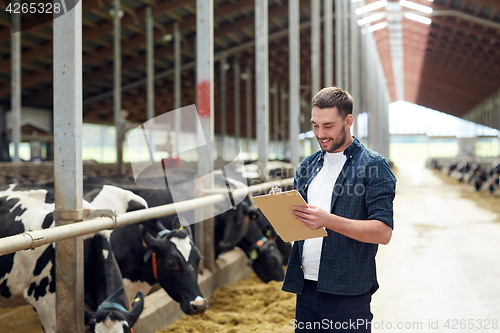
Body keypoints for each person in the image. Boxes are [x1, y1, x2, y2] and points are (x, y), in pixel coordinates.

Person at [282, 87, 396, 332]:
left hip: (348, 291)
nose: (320, 134)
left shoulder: (373, 166)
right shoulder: (307, 166)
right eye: (315, 125)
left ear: (348, 121)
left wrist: (327, 220)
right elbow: (301, 224)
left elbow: (382, 232)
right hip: (306, 286)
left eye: (328, 126)